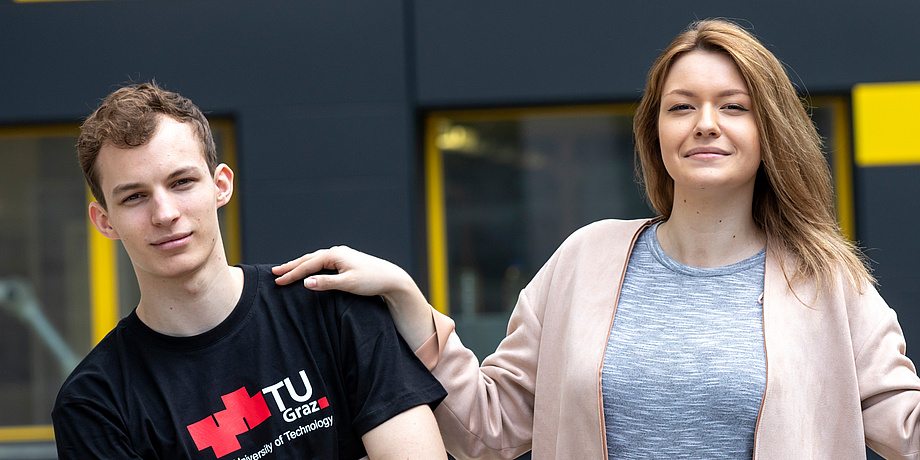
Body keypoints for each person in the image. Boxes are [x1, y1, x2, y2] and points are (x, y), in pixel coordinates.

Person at [274, 19, 920, 459]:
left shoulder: (827, 285)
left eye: (733, 105)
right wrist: (406, 298)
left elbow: (907, 428)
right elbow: (488, 428)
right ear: (656, 133)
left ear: (768, 129)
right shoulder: (587, 259)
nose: (704, 124)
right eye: (680, 106)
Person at [51, 82, 448, 460]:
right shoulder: (95, 404)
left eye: (182, 182)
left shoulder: (334, 310)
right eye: (135, 196)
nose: (165, 214)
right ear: (104, 221)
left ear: (221, 185)